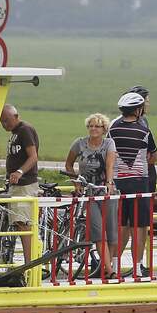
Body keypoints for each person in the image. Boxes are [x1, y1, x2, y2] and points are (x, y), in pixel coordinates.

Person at [108, 91, 157, 278]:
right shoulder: (144, 130)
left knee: (120, 225)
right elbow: (153, 155)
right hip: (139, 183)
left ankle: (114, 264)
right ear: (137, 110)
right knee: (140, 227)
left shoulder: (112, 128)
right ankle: (137, 267)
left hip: (118, 182)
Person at [64, 112, 118, 277]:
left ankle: (107, 266)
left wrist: (109, 183)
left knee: (112, 233)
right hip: (89, 192)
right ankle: (109, 270)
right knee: (98, 231)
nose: (93, 129)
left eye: (97, 126)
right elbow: (68, 164)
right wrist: (76, 182)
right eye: (91, 126)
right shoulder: (79, 144)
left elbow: (110, 165)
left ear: (104, 129)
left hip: (105, 190)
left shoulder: (109, 143)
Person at [0, 104, 40, 262]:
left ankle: (29, 263)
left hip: (25, 184)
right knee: (19, 223)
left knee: (24, 225)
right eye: (2, 122)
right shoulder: (14, 133)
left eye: (7, 120)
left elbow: (33, 156)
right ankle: (27, 260)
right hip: (16, 185)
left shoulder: (25, 130)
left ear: (16, 116)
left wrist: (19, 172)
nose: (4, 124)